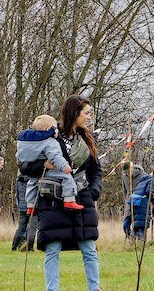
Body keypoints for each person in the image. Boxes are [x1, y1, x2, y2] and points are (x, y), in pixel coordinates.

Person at [35, 95, 102, 291]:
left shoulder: (88, 139)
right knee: (52, 249)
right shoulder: (48, 135)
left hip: (82, 199)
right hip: (54, 200)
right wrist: (41, 164)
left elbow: (96, 170)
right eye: (86, 113)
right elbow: (25, 163)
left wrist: (94, 191)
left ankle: (94, 289)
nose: (89, 117)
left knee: (89, 248)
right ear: (75, 113)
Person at [16, 114, 83, 212]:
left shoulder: (26, 143)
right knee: (67, 177)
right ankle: (69, 199)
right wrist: (65, 166)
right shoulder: (50, 141)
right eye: (55, 128)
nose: (57, 130)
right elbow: (55, 156)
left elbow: (20, 157)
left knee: (31, 183)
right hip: (52, 170)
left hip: (36, 173)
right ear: (48, 129)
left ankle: (30, 205)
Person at [123, 164, 154, 242]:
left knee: (136, 225)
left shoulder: (143, 180)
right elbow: (149, 192)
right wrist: (153, 201)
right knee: (142, 226)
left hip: (135, 203)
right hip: (142, 204)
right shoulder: (153, 180)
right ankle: (140, 244)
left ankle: (133, 243)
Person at [11, 172, 38, 252]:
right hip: (32, 206)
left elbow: (18, 194)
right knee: (32, 228)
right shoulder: (34, 179)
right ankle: (29, 248)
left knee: (20, 228)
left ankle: (14, 247)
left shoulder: (18, 179)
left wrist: (20, 204)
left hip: (22, 206)